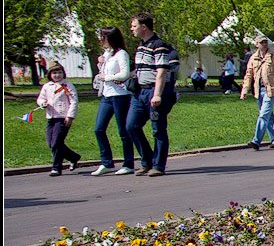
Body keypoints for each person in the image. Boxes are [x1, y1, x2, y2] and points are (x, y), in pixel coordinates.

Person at [126, 12, 178, 177]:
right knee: (131, 126)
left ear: (144, 27)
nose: (131, 29)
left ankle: (158, 165)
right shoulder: (141, 46)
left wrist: (157, 94)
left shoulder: (159, 45)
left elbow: (161, 72)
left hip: (153, 92)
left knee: (158, 129)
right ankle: (146, 159)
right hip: (139, 93)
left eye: (134, 26)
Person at [90, 26, 136, 176]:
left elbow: (124, 74)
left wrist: (108, 77)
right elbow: (104, 71)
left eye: (102, 37)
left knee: (123, 130)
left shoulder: (121, 54)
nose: (100, 40)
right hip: (106, 95)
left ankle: (128, 163)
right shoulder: (107, 54)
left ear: (110, 38)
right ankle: (106, 162)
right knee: (99, 128)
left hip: (120, 95)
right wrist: (101, 64)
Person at [241, 36, 274, 150]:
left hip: (270, 90)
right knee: (269, 116)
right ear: (256, 44)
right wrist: (244, 90)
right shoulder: (253, 58)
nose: (264, 44)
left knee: (263, 115)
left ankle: (256, 140)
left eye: (266, 42)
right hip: (258, 91)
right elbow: (249, 75)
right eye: (262, 42)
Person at [37, 61, 80, 176]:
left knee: (56, 142)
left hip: (63, 118)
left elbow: (74, 101)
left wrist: (70, 116)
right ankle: (73, 157)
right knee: (51, 143)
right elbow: (40, 98)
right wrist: (43, 103)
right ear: (50, 74)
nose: (57, 75)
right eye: (54, 73)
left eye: (59, 72)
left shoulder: (68, 85)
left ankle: (56, 167)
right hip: (51, 117)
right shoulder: (47, 86)